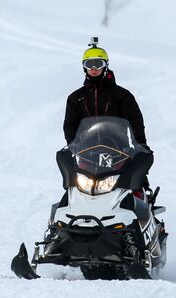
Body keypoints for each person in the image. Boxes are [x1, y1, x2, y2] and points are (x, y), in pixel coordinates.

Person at [63, 37, 152, 193]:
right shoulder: (76, 98)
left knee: (133, 187)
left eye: (98, 64)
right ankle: (65, 214)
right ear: (84, 67)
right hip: (86, 154)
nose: (94, 68)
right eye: (89, 64)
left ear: (106, 65)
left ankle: (142, 211)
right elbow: (70, 125)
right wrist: (73, 145)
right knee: (75, 190)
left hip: (119, 152)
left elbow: (135, 121)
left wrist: (140, 145)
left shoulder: (122, 95)